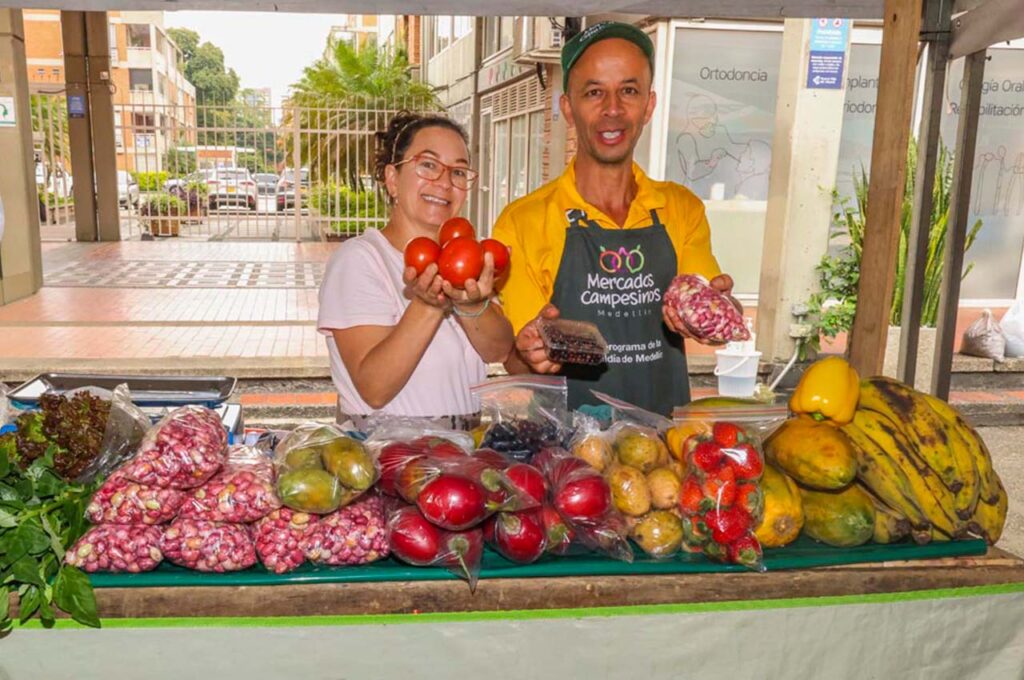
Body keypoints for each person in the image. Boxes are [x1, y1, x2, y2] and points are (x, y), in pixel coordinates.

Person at [494, 22, 739, 416]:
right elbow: (517, 360)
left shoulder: (682, 209)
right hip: (569, 455)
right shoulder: (523, 221)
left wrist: (721, 314)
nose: (613, 109)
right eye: (594, 92)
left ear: (649, 105)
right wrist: (529, 354)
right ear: (568, 108)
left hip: (664, 453)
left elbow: (707, 309)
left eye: (629, 90)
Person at [317, 112, 514, 429]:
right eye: (428, 165)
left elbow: (499, 350)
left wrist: (472, 304)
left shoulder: (468, 260)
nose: (445, 182)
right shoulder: (360, 260)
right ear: (392, 178)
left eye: (459, 171)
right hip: (389, 457)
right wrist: (427, 305)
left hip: (462, 454)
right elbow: (374, 388)